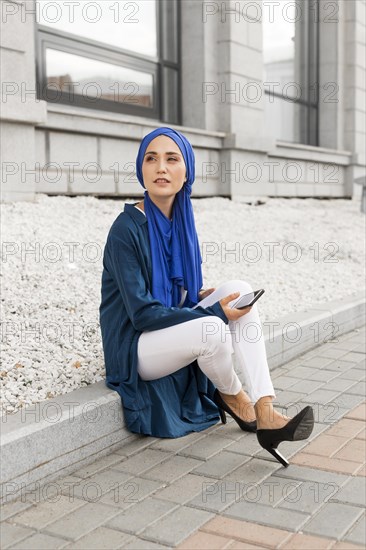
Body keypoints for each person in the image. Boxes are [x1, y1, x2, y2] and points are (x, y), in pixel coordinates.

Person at [99, 126, 314, 467]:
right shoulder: (126, 229)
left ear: (188, 172)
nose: (161, 168)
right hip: (135, 346)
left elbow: (171, 289)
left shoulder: (182, 222)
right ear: (141, 168)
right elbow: (141, 313)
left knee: (240, 290)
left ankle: (265, 408)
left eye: (172, 159)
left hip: (165, 333)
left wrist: (198, 296)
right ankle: (237, 399)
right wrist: (214, 311)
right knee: (213, 328)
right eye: (151, 159)